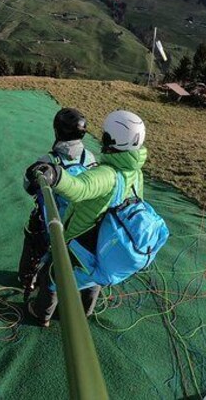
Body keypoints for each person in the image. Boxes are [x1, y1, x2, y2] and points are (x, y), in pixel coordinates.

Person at [24, 110, 147, 326]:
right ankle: (83, 311)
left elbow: (80, 188)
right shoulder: (135, 172)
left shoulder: (108, 174)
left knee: (53, 275)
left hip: (83, 238)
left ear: (110, 138)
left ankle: (41, 314)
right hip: (108, 241)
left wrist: (55, 174)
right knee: (94, 276)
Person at [18, 108, 97, 308]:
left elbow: (29, 187)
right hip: (81, 226)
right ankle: (82, 306)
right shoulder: (91, 158)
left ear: (58, 131)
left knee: (35, 248)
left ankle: (28, 281)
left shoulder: (49, 160)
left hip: (50, 225)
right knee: (75, 266)